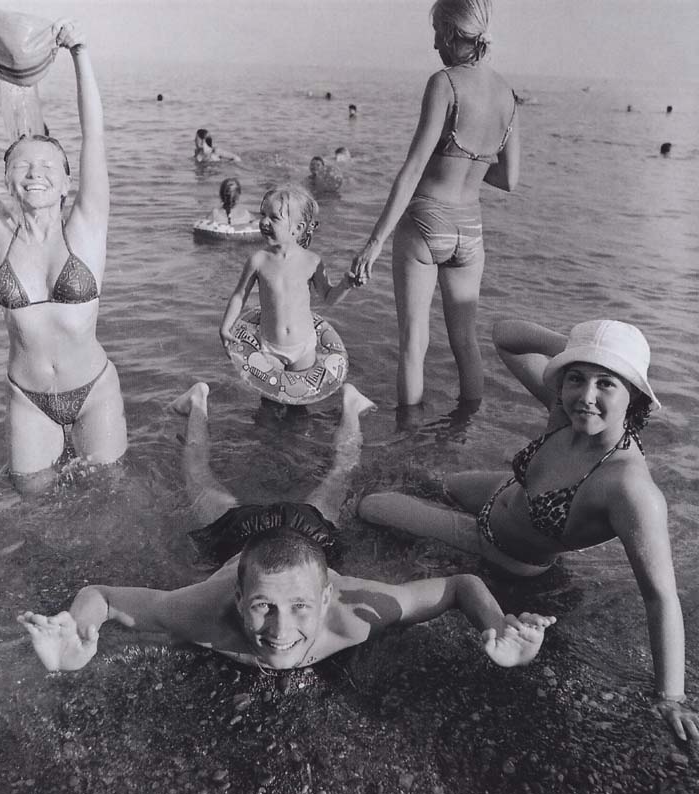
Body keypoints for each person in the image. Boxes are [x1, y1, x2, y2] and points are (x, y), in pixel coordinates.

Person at [18, 381, 555, 674]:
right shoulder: (200, 611)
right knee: (201, 477)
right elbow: (100, 598)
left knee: (336, 476)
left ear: (326, 599)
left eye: (299, 607)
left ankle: (350, 406)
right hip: (244, 536)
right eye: (262, 606)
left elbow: (462, 587)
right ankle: (197, 402)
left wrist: (497, 625)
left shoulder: (356, 617)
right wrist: (76, 633)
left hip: (308, 535)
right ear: (237, 597)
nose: (279, 631)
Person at [358, 319, 699, 742]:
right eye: (576, 378)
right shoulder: (567, 414)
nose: (586, 396)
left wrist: (671, 696)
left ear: (635, 395)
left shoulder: (629, 488)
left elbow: (660, 596)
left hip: (496, 544)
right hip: (500, 490)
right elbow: (504, 336)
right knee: (421, 478)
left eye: (606, 383)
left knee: (371, 506)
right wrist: (580, 351)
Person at [0, 17, 127, 493]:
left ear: (67, 182)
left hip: (94, 390)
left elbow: (94, 135)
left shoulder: (86, 227)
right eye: (21, 165)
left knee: (109, 495)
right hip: (28, 398)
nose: (34, 173)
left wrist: (80, 54)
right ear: (7, 180)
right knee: (31, 501)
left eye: (48, 165)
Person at [350, 0, 520, 409]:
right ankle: (467, 429)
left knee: (413, 343)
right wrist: (469, 162)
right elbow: (509, 179)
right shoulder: (507, 94)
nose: (433, 45)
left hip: (427, 221)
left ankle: (409, 434)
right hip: (471, 231)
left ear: (449, 31)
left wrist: (374, 243)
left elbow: (412, 171)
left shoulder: (444, 83)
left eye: (436, 34)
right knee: (466, 341)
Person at [219, 186, 355, 372]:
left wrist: (346, 285)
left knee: (300, 391)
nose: (264, 222)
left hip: (304, 346)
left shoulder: (312, 262)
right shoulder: (258, 260)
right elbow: (239, 296)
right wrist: (226, 327)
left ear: (298, 229)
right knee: (268, 391)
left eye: (274, 218)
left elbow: (328, 297)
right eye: (263, 215)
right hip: (270, 347)